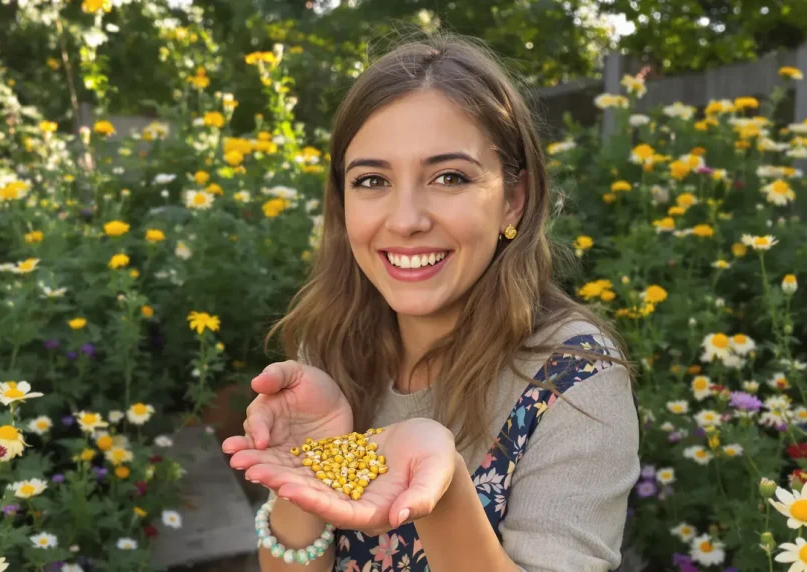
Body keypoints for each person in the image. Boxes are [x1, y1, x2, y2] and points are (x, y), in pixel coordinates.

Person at [222, 31, 640, 572]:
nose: (405, 220)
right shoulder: (330, 347)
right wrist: (311, 464)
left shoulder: (574, 380)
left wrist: (439, 493)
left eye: (449, 177)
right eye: (372, 180)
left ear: (514, 200)